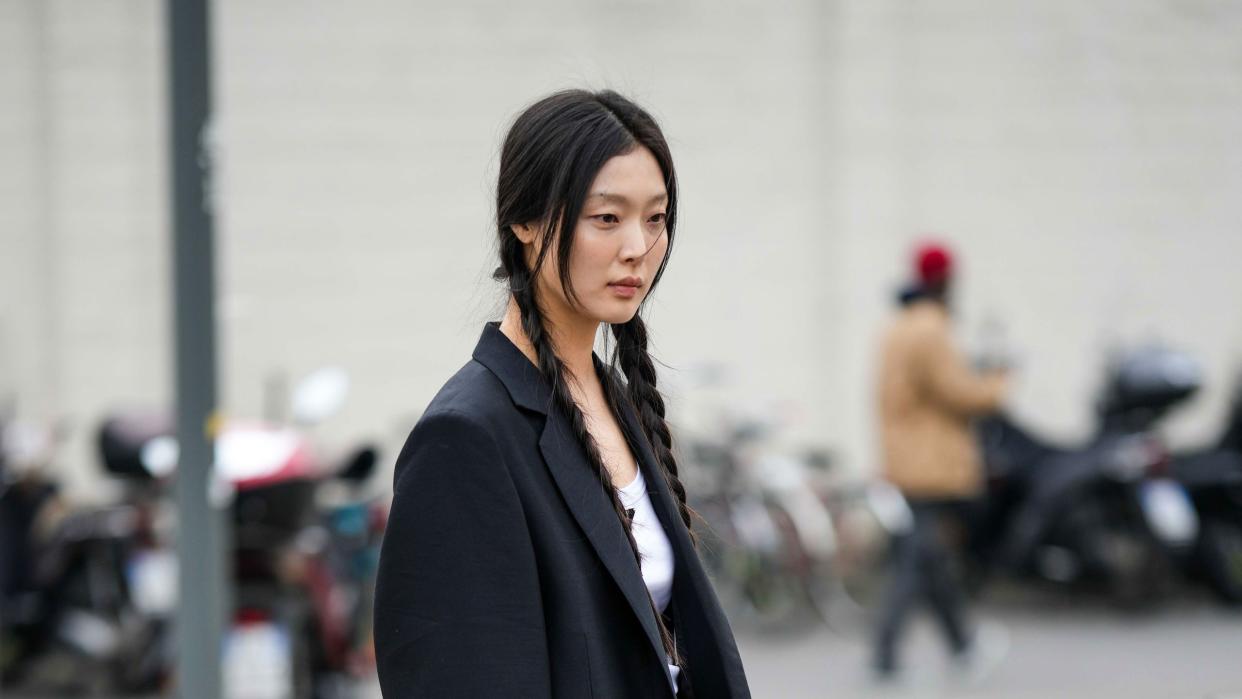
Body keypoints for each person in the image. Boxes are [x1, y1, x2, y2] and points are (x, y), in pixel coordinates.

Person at [373, 90, 751, 698]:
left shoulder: (613, 400)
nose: (638, 248)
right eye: (607, 218)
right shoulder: (466, 437)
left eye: (655, 218)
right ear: (524, 221)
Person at [872, 242, 1009, 681]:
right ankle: (886, 653)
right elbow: (959, 393)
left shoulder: (901, 326)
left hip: (909, 458)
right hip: (929, 464)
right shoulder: (930, 330)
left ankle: (962, 646)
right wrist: (998, 383)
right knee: (920, 558)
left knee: (930, 559)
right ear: (945, 280)